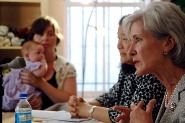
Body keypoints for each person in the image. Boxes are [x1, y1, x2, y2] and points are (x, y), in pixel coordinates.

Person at [66, 15, 165, 123]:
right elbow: (112, 96)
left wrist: (88, 110)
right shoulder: (128, 68)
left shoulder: (150, 71)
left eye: (125, 39)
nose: (119, 45)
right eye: (118, 38)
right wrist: (80, 104)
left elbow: (130, 115)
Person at [114, 1, 185, 123]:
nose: (130, 51)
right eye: (130, 40)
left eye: (138, 39)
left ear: (167, 43)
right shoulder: (170, 90)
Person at [20, 16, 77, 110]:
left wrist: (40, 82)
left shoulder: (67, 67)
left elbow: (71, 102)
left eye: (50, 34)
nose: (45, 38)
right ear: (32, 37)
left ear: (57, 38)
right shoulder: (21, 65)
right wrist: (24, 104)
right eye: (40, 33)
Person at [3, 41, 48, 111]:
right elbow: (39, 73)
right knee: (36, 96)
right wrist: (44, 63)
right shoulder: (32, 64)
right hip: (23, 89)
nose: (42, 55)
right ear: (27, 55)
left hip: (13, 88)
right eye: (38, 53)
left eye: (43, 53)